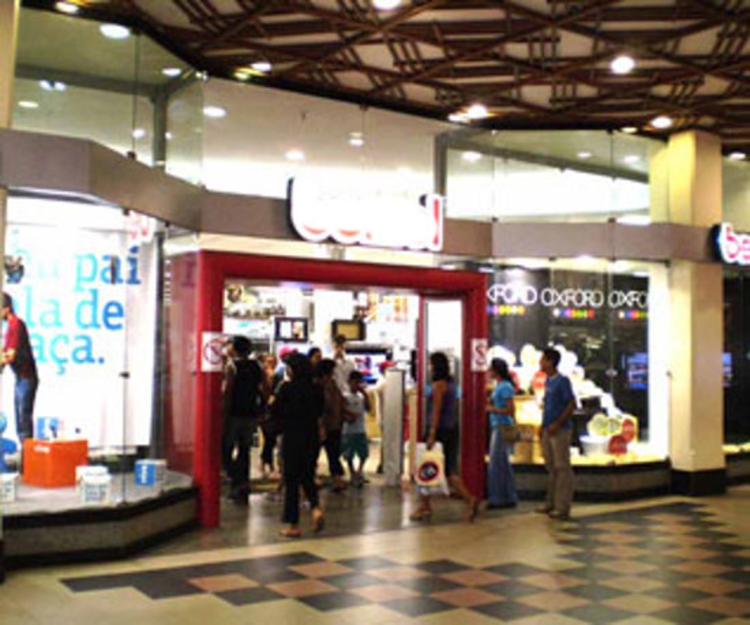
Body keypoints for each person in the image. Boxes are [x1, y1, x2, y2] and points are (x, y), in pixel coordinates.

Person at [410, 351, 479, 522]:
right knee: (448, 469)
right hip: (451, 429)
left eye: (430, 364)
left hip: (438, 430)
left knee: (426, 466)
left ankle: (426, 506)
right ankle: (469, 499)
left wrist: (431, 433)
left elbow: (436, 410)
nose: (429, 367)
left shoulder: (438, 386)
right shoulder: (451, 384)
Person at [276, 352, 325, 538]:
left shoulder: (286, 388)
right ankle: (315, 508)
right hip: (311, 436)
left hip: (292, 436)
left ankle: (293, 525)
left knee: (292, 480)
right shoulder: (316, 389)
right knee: (307, 475)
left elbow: (276, 410)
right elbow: (320, 412)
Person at [222, 336, 264, 504]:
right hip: (250, 413)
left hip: (234, 413)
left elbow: (228, 392)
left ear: (234, 348)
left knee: (225, 450)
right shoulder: (256, 366)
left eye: (229, 345)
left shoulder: (232, 366)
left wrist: (223, 413)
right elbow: (264, 388)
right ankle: (243, 485)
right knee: (244, 450)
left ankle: (237, 481)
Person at [537, 347, 576, 520]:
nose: (540, 363)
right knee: (551, 466)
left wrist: (558, 422)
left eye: (543, 359)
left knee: (562, 467)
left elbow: (571, 404)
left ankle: (562, 505)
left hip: (560, 429)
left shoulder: (563, 381)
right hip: (547, 427)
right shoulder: (548, 381)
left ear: (551, 362)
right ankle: (550, 501)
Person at [1, 293, 38, 450]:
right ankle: (26, 457)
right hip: (20, 378)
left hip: (26, 378)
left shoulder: (16, 325)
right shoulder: (10, 327)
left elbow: (10, 356)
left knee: (23, 421)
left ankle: (28, 459)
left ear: (6, 309)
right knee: (20, 420)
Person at [486, 358, 518, 509]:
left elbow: (511, 409)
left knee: (496, 463)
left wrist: (493, 409)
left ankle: (497, 497)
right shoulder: (500, 385)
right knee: (503, 463)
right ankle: (508, 495)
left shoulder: (504, 387)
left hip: (501, 426)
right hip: (498, 424)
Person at [317, 358, 346, 492]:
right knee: (315, 453)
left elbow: (338, 401)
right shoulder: (319, 386)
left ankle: (336, 478)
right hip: (323, 425)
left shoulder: (332, 384)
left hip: (334, 424)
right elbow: (322, 406)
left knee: (334, 453)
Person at [342, 369, 370, 488]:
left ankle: (359, 471)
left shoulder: (361, 396)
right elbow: (341, 410)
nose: (357, 385)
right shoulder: (345, 396)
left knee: (363, 453)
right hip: (348, 430)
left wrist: (365, 395)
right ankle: (352, 472)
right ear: (349, 382)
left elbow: (368, 408)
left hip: (360, 429)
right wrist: (349, 416)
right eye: (354, 382)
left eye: (359, 382)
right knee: (349, 453)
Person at [259, 353, 284, 479]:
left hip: (275, 412)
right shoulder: (262, 376)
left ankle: (267, 464)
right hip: (264, 411)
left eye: (273, 361)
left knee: (271, 439)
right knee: (268, 438)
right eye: (268, 361)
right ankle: (266, 464)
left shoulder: (278, 377)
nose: (271, 364)